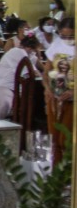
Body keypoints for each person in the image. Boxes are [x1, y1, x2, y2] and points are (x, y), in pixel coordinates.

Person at [42, 17, 75, 164]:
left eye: (71, 36)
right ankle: (56, 178)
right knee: (54, 138)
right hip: (55, 98)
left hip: (72, 100)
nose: (67, 39)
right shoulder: (57, 44)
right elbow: (46, 72)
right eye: (63, 36)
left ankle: (69, 176)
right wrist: (48, 89)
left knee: (65, 139)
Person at [0, 34, 41, 119]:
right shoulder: (17, 51)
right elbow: (34, 72)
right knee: (5, 103)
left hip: (17, 88)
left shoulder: (29, 56)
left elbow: (37, 71)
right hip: (3, 85)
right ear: (28, 47)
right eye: (32, 49)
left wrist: (37, 56)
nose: (33, 52)